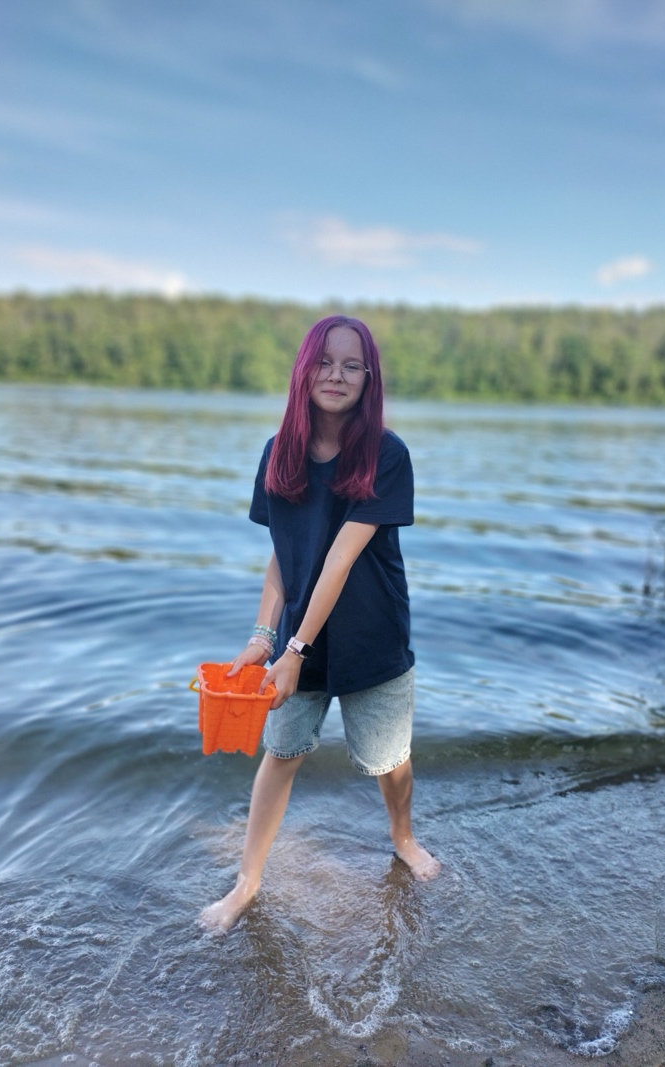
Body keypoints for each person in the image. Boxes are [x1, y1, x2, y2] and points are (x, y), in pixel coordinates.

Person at [198, 315, 440, 934]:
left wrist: (294, 648)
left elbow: (339, 558)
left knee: (389, 759)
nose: (336, 375)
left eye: (352, 365)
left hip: (370, 634)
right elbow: (284, 553)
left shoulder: (387, 454)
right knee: (280, 754)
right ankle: (247, 883)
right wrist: (263, 638)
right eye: (325, 362)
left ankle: (403, 837)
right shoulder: (278, 452)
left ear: (369, 378)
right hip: (295, 645)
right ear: (304, 371)